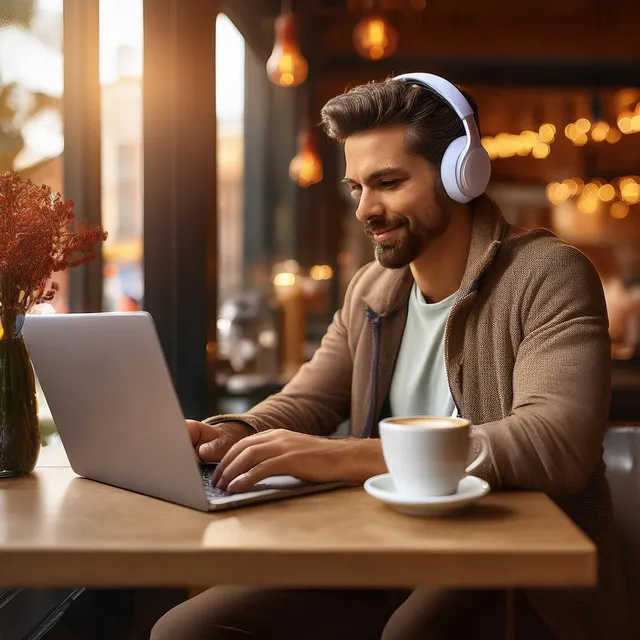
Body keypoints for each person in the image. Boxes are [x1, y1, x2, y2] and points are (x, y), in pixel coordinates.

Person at [152, 73, 628, 639]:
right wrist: (230, 434)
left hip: (518, 566)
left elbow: (558, 444)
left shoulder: (549, 275)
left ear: (461, 176)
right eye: (357, 188)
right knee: (185, 630)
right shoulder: (371, 291)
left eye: (389, 182)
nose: (365, 210)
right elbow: (305, 401)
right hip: (383, 549)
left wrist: (342, 457)